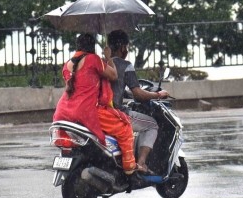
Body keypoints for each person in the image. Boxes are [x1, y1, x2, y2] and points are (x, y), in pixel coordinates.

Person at [53, 33, 140, 174]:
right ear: (92, 46)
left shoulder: (67, 65)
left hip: (63, 112)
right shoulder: (93, 60)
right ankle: (129, 167)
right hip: (86, 111)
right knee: (125, 128)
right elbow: (113, 76)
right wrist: (108, 57)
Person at [107, 29, 169, 172]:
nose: (127, 50)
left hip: (100, 112)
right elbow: (139, 95)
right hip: (116, 114)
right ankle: (141, 163)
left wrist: (125, 93)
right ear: (122, 47)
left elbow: (114, 88)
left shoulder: (102, 64)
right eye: (126, 47)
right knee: (152, 125)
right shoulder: (125, 65)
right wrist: (158, 94)